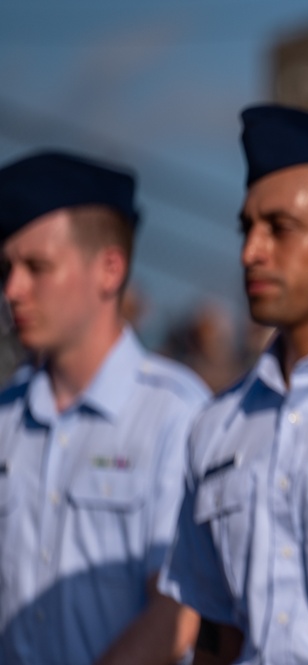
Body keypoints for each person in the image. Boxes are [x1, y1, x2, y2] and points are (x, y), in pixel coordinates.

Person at [159, 104, 308, 665]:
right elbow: (215, 632)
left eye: (280, 228)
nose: (250, 253)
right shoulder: (219, 425)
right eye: (247, 228)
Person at [0, 150, 209, 664]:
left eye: (36, 267)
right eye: (6, 268)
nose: (12, 290)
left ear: (109, 269)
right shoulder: (5, 417)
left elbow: (177, 612)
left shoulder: (175, 416)